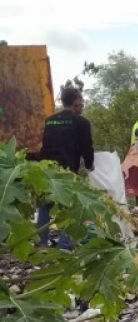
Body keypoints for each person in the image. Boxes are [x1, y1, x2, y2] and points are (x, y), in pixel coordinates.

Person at [36, 86, 94, 248]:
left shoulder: (50, 120)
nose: (83, 104)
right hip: (67, 172)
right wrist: (89, 164)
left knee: (45, 206)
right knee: (70, 207)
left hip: (47, 170)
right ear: (75, 102)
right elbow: (87, 147)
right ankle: (65, 245)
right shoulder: (81, 122)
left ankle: (41, 244)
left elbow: (45, 145)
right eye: (81, 100)